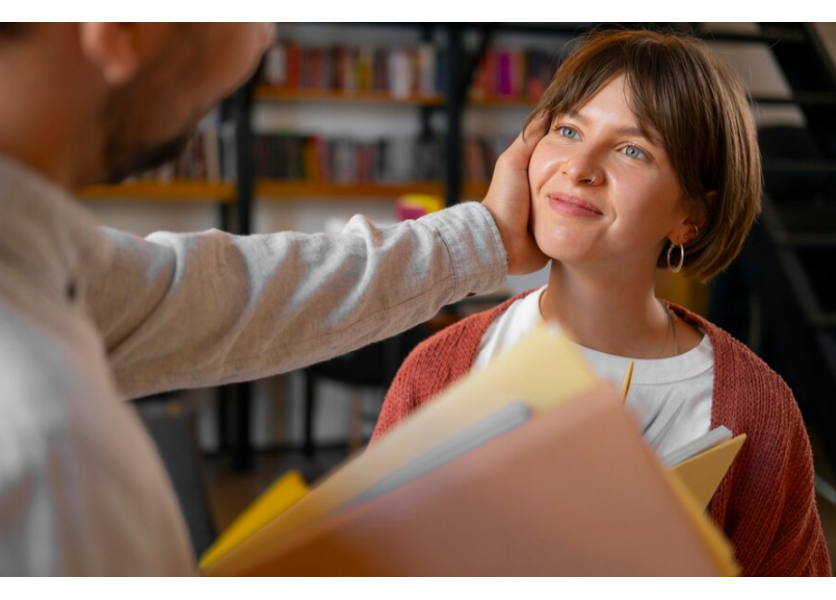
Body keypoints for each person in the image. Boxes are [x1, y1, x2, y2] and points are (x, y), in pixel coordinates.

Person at [0, 23, 549, 575]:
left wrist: (489, 237)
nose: (264, 39)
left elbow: (211, 292)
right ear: (120, 29)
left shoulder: (39, 270)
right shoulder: (46, 446)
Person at [371, 29, 832, 576]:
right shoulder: (438, 371)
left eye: (632, 149)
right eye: (567, 130)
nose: (579, 166)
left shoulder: (759, 410)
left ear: (691, 216)